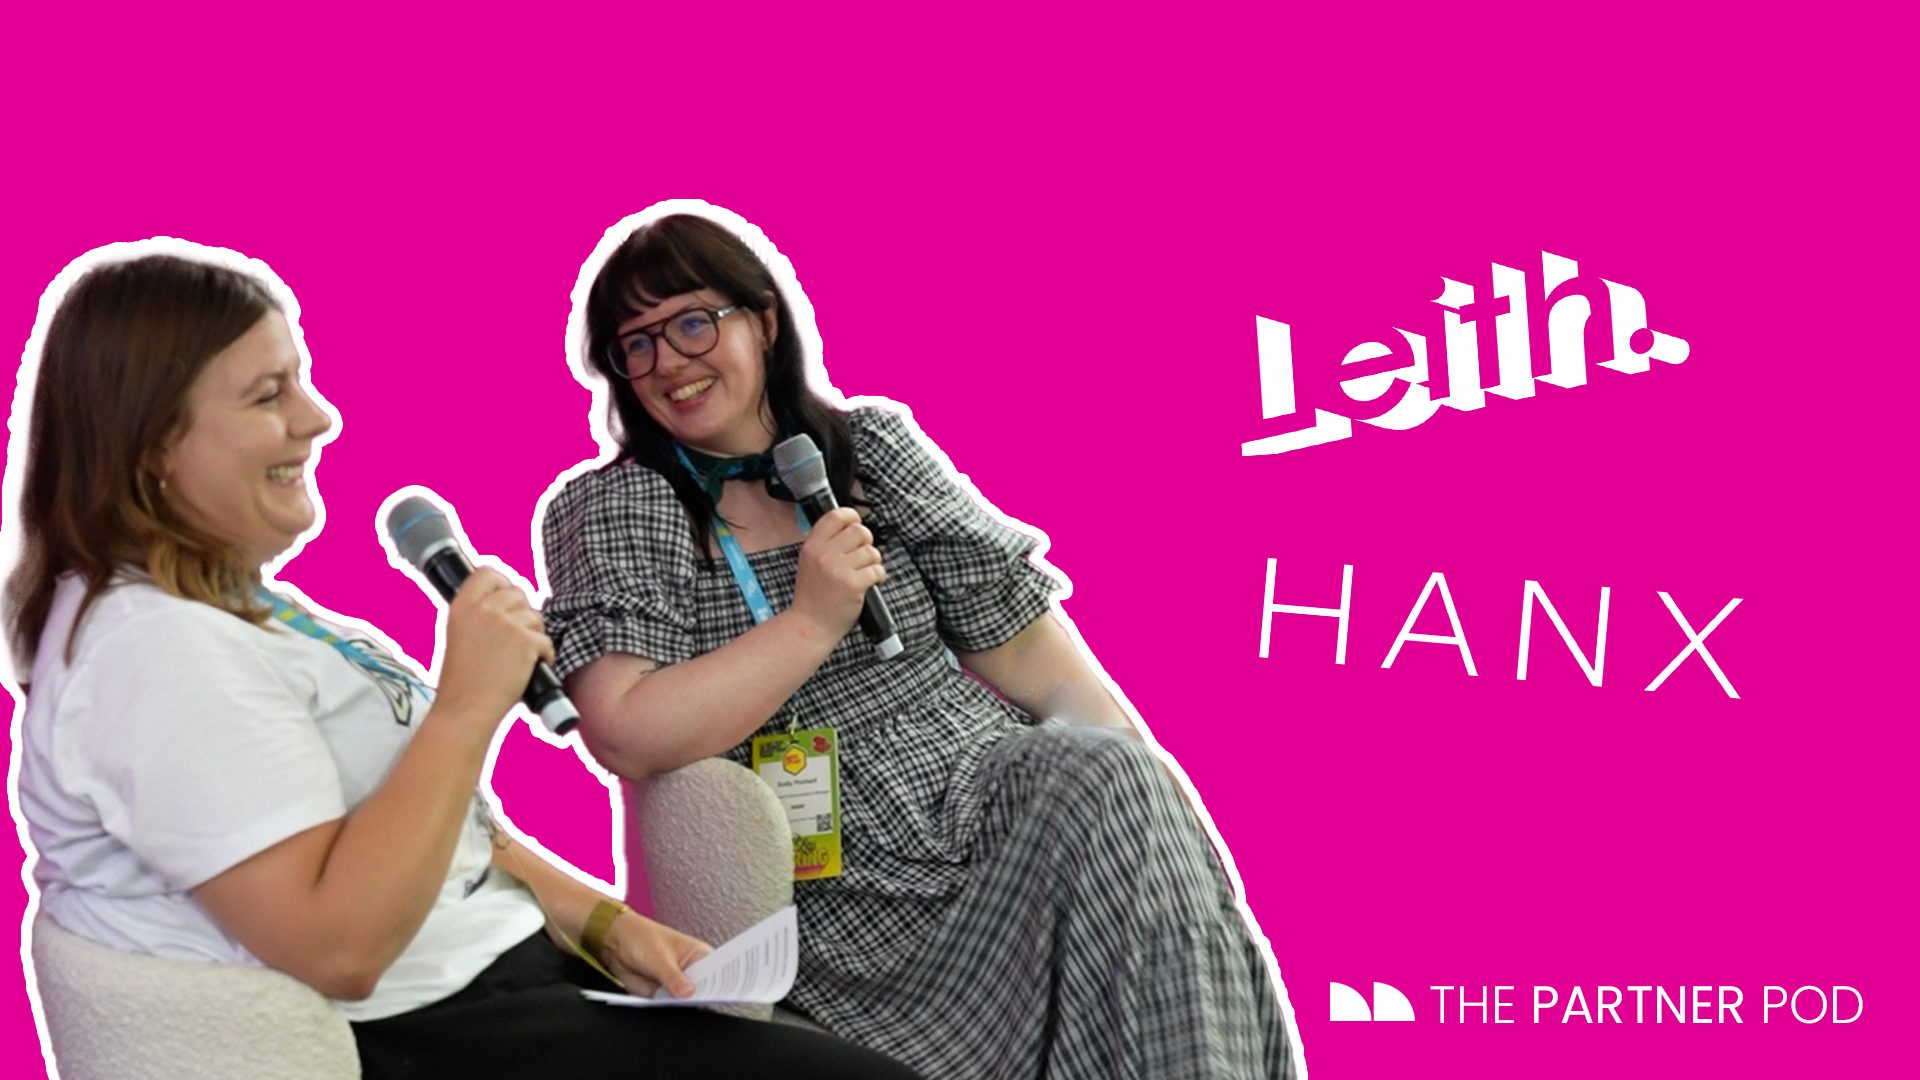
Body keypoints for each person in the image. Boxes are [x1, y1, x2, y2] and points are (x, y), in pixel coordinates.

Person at [5, 248, 923, 1080]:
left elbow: (456, 840)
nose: (318, 418)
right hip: (434, 1029)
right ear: (155, 446)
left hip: (513, 977)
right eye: (268, 395)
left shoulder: (237, 611)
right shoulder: (156, 654)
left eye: (301, 383)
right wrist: (465, 706)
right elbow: (337, 949)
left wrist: (606, 925)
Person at [539, 211, 1295, 1080]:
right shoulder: (622, 506)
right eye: (635, 344)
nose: (668, 361)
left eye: (692, 323)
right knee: (1111, 799)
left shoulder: (870, 450)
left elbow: (1027, 652)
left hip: (996, 799)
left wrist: (1149, 791)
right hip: (831, 874)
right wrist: (810, 622)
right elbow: (625, 729)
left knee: (1123, 790)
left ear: (764, 322)